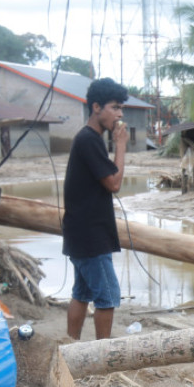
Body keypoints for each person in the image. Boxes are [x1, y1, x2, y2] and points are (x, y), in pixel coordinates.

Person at [62, 77, 130, 340]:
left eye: (121, 108)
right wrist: (121, 146)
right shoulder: (89, 140)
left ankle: (71, 345)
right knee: (107, 296)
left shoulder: (90, 139)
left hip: (81, 233)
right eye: (115, 107)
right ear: (96, 107)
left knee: (81, 293)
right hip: (91, 236)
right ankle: (102, 355)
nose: (120, 114)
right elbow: (113, 183)